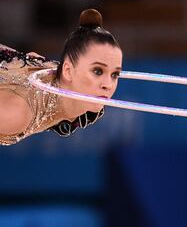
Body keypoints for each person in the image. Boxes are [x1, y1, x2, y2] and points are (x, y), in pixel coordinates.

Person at [0, 9, 123, 146]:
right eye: (97, 71)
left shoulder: (89, 104)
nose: (108, 85)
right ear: (67, 71)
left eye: (114, 74)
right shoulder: (16, 113)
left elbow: (31, 57)